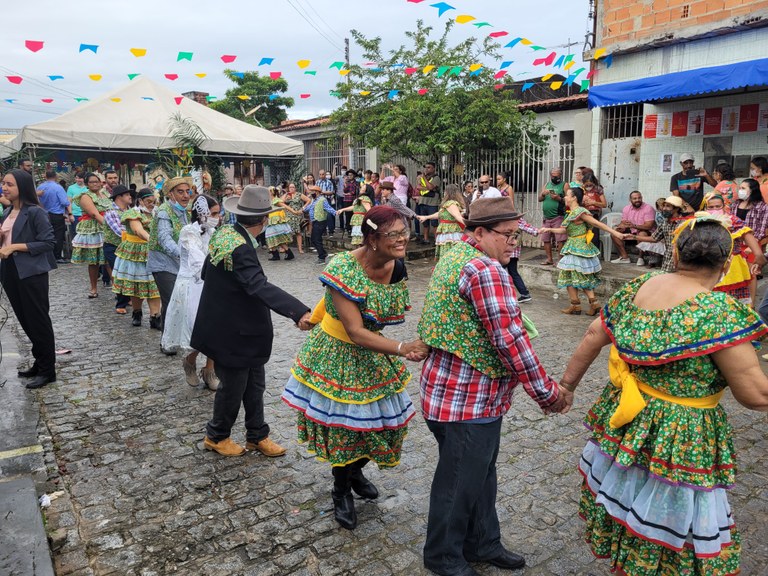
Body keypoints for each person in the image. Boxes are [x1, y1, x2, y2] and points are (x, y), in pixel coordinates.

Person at [559, 213, 768, 576]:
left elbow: (594, 334)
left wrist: (567, 386)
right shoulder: (717, 312)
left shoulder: (642, 285)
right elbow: (756, 395)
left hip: (631, 422)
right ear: (726, 264)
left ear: (677, 252)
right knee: (672, 518)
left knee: (630, 495)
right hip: (680, 434)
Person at [417, 196, 567, 576]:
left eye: (517, 234)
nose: (515, 244)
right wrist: (547, 393)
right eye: (508, 235)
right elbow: (510, 340)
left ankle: (484, 542)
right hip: (468, 400)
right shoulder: (486, 270)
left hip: (446, 393)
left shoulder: (455, 253)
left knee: (478, 476)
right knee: (458, 483)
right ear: (480, 232)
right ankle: (443, 556)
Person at [282, 206, 427, 530]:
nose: (403, 239)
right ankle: (341, 489)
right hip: (338, 353)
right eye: (394, 234)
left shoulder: (398, 267)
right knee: (346, 429)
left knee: (384, 426)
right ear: (372, 238)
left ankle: (356, 471)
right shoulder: (343, 267)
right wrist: (403, 348)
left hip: (373, 351)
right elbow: (354, 331)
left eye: (404, 232)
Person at [190, 185, 312, 457]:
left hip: (241, 329)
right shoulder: (240, 248)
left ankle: (257, 435)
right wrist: (298, 311)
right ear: (265, 220)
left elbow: (208, 271)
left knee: (255, 385)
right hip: (234, 331)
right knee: (233, 388)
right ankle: (216, 436)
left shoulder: (226, 233)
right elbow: (258, 285)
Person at [0, 170, 57, 389]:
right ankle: (39, 361)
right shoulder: (7, 212)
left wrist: (15, 247)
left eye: (10, 184)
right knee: (24, 319)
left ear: (22, 187)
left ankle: (47, 370)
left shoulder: (35, 212)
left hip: (32, 272)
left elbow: (48, 243)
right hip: (10, 270)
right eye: (3, 183)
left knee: (38, 319)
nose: (4, 188)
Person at [162, 194, 221, 390]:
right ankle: (189, 361)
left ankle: (210, 369)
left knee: (216, 327)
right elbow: (197, 260)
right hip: (192, 285)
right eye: (214, 213)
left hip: (212, 283)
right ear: (202, 213)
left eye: (218, 213)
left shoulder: (213, 232)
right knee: (196, 329)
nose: (217, 217)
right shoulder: (188, 231)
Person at [540, 187, 626, 316]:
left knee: (576, 276)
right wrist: (549, 229)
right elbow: (564, 230)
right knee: (572, 275)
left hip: (578, 248)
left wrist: (615, 233)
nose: (565, 197)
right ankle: (582, 304)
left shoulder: (580, 211)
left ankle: (585, 304)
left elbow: (597, 224)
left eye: (567, 195)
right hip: (574, 246)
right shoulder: (572, 212)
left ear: (574, 198)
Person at [147, 177, 192, 344]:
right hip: (163, 263)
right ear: (171, 194)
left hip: (179, 264)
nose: (185, 195)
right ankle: (167, 341)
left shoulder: (184, 212)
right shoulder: (164, 211)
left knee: (181, 300)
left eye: (187, 191)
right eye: (180, 192)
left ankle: (178, 337)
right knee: (172, 301)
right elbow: (165, 238)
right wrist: (183, 253)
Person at [112, 188, 163, 329]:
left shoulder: (158, 213)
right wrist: (152, 240)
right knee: (136, 284)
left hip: (153, 252)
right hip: (135, 252)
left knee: (154, 284)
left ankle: (155, 316)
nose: (151, 204)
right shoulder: (132, 213)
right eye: (148, 201)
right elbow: (138, 230)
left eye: (154, 201)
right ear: (140, 200)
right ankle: (137, 312)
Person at [705, 194, 766, 305]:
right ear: (705, 208)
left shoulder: (732, 220)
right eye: (711, 207)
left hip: (733, 265)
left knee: (734, 301)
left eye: (718, 206)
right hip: (709, 264)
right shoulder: (700, 221)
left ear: (724, 206)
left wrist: (759, 255)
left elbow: (747, 235)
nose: (714, 209)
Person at [71, 172, 112, 298]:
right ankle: (93, 288)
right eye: (91, 182)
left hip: (107, 225)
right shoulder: (85, 196)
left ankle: (119, 290)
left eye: (96, 181)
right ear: (87, 184)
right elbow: (94, 214)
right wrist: (109, 226)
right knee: (94, 261)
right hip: (93, 229)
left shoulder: (105, 194)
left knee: (109, 259)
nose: (95, 184)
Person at [629, 195, 688, 274]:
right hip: (667, 260)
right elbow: (654, 238)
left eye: (668, 206)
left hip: (680, 262)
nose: (664, 208)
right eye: (664, 206)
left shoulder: (685, 224)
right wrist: (633, 237)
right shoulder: (664, 223)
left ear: (676, 209)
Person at [102, 185, 134, 314]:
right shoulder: (111, 212)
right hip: (113, 247)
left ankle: (128, 298)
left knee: (130, 272)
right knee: (120, 272)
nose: (130, 197)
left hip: (129, 246)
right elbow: (120, 231)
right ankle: (121, 304)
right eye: (127, 195)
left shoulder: (132, 210)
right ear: (119, 197)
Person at [416, 183, 465, 259]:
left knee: (449, 253)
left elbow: (457, 216)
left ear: (448, 192)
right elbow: (440, 214)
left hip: (450, 231)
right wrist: (426, 217)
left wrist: (469, 225)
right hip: (448, 230)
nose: (444, 193)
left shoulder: (450, 203)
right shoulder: (450, 204)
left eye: (445, 191)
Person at [610, 191, 657, 264]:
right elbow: (623, 222)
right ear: (630, 200)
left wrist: (634, 226)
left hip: (646, 231)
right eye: (635, 198)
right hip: (632, 230)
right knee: (614, 233)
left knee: (642, 234)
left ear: (642, 198)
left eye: (639, 198)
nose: (637, 200)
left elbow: (649, 226)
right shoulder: (626, 208)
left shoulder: (648, 208)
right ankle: (625, 257)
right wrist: (619, 227)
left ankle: (641, 258)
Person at [36, 170, 71, 263]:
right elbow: (64, 202)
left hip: (43, 213)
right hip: (56, 214)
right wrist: (68, 203)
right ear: (56, 176)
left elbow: (36, 200)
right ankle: (57, 256)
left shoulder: (40, 187)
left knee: (46, 235)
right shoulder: (58, 187)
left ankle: (48, 255)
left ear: (45, 176)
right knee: (58, 235)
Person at [538, 168, 568, 266]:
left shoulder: (564, 185)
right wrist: (543, 194)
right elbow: (539, 199)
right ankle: (549, 259)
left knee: (560, 240)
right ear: (551, 175)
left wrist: (558, 198)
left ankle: (560, 260)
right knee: (546, 239)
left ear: (561, 175)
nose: (555, 177)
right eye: (553, 176)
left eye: (557, 176)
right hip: (546, 217)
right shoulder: (547, 185)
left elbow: (569, 200)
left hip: (558, 216)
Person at [506, 218, 539, 303]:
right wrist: (537, 231)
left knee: (501, 272)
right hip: (511, 252)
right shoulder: (516, 219)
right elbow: (528, 227)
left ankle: (503, 295)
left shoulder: (514, 219)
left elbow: (527, 227)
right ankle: (524, 294)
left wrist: (538, 231)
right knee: (512, 272)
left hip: (508, 251)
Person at [304, 184, 337, 264]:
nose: (311, 193)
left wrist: (336, 212)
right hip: (315, 221)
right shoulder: (314, 200)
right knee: (313, 239)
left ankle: (321, 257)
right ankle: (323, 253)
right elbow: (309, 207)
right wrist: (302, 210)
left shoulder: (322, 200)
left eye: (312, 191)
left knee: (316, 239)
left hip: (320, 222)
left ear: (317, 192)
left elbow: (328, 208)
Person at [264, 186, 297, 261]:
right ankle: (278, 255)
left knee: (275, 238)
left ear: (271, 192)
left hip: (276, 223)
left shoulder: (275, 200)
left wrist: (294, 212)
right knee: (272, 238)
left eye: (268, 191)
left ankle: (286, 254)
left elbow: (285, 206)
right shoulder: (269, 200)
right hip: (272, 222)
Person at [634, 198, 667, 268]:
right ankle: (652, 261)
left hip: (666, 234)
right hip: (659, 233)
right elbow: (659, 226)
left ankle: (659, 262)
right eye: (660, 205)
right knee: (652, 244)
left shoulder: (668, 215)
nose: (662, 207)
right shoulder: (658, 214)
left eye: (663, 205)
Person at [415, 162, 442, 244]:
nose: (426, 169)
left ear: (434, 169)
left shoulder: (436, 178)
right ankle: (425, 239)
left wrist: (424, 180)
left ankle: (436, 240)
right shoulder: (422, 177)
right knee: (424, 222)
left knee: (434, 223)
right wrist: (427, 187)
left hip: (432, 203)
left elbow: (430, 187)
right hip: (423, 202)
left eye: (429, 167)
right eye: (426, 167)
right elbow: (418, 187)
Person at [282, 182, 310, 254]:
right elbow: (281, 202)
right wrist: (286, 196)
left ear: (295, 188)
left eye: (293, 187)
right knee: (287, 232)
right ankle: (285, 248)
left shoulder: (299, 194)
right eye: (290, 187)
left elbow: (308, 200)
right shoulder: (287, 195)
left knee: (298, 232)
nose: (291, 188)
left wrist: (303, 208)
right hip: (288, 216)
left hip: (297, 215)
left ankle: (300, 248)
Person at [66, 172, 86, 240]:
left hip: (87, 214)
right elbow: (69, 202)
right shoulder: (71, 188)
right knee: (76, 234)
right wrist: (70, 214)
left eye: (80, 178)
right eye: (76, 178)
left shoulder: (88, 187)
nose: (77, 180)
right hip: (75, 215)